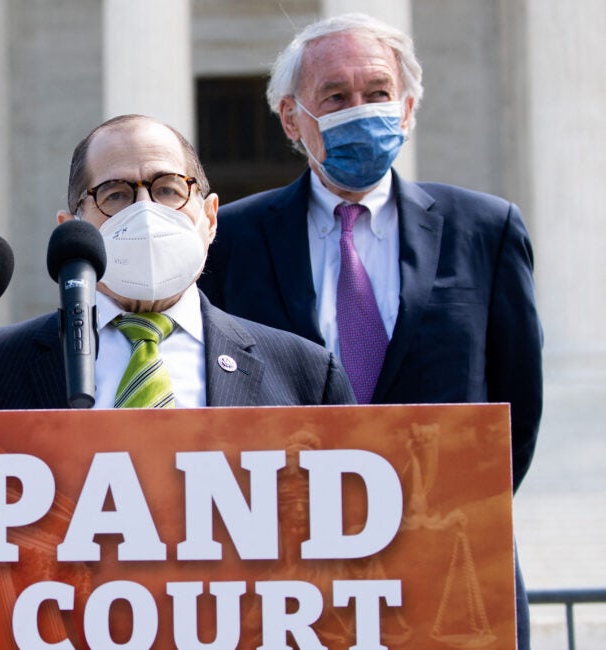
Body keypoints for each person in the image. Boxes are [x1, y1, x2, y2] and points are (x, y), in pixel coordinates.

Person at [196, 13, 540, 647]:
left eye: (377, 92)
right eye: (335, 96)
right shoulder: (232, 241)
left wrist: (443, 509)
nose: (360, 110)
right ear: (292, 118)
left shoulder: (485, 231)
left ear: (406, 109)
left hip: (452, 559)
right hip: (285, 575)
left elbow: (518, 402)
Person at [0, 114, 354, 410]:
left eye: (169, 189)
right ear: (72, 230)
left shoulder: (307, 376)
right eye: (115, 195)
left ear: (209, 219)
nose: (146, 211)